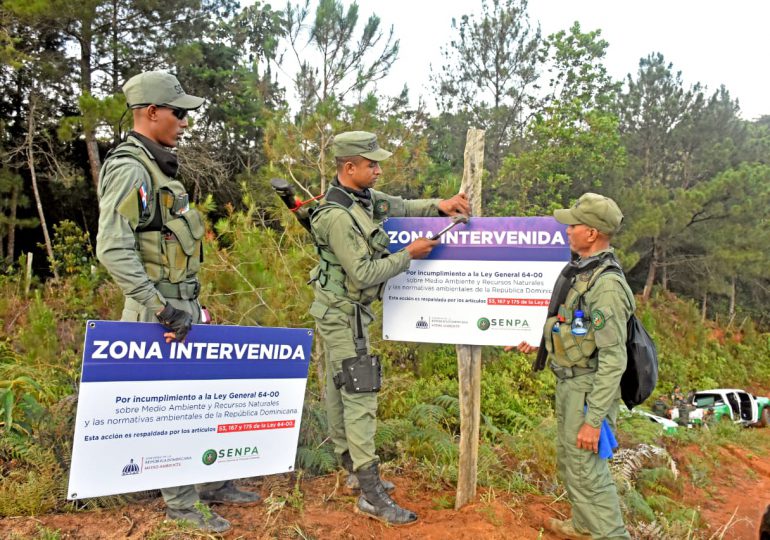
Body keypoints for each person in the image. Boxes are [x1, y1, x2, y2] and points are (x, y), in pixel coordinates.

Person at [96, 71, 259, 534]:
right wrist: (161, 307)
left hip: (181, 306)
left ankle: (208, 486)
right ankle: (183, 506)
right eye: (178, 112)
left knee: (198, 401)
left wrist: (192, 304)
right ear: (151, 113)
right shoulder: (131, 168)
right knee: (169, 411)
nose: (185, 122)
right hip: (157, 313)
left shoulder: (158, 165)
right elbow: (112, 247)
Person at [308, 131, 470, 525]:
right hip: (344, 314)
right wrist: (408, 255)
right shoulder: (337, 216)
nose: (379, 170)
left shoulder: (362, 200)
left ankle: (352, 470)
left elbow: (398, 204)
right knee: (359, 392)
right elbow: (363, 273)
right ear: (350, 168)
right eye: (372, 164)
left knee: (339, 386)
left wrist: (439, 205)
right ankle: (371, 493)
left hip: (342, 311)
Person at [510, 193, 632, 540]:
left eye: (574, 224)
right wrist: (542, 341)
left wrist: (594, 420)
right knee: (571, 462)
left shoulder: (605, 285)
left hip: (588, 391)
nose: (568, 229)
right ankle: (582, 526)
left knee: (589, 471)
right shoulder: (583, 270)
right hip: (570, 384)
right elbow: (579, 332)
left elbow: (613, 358)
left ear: (592, 233)